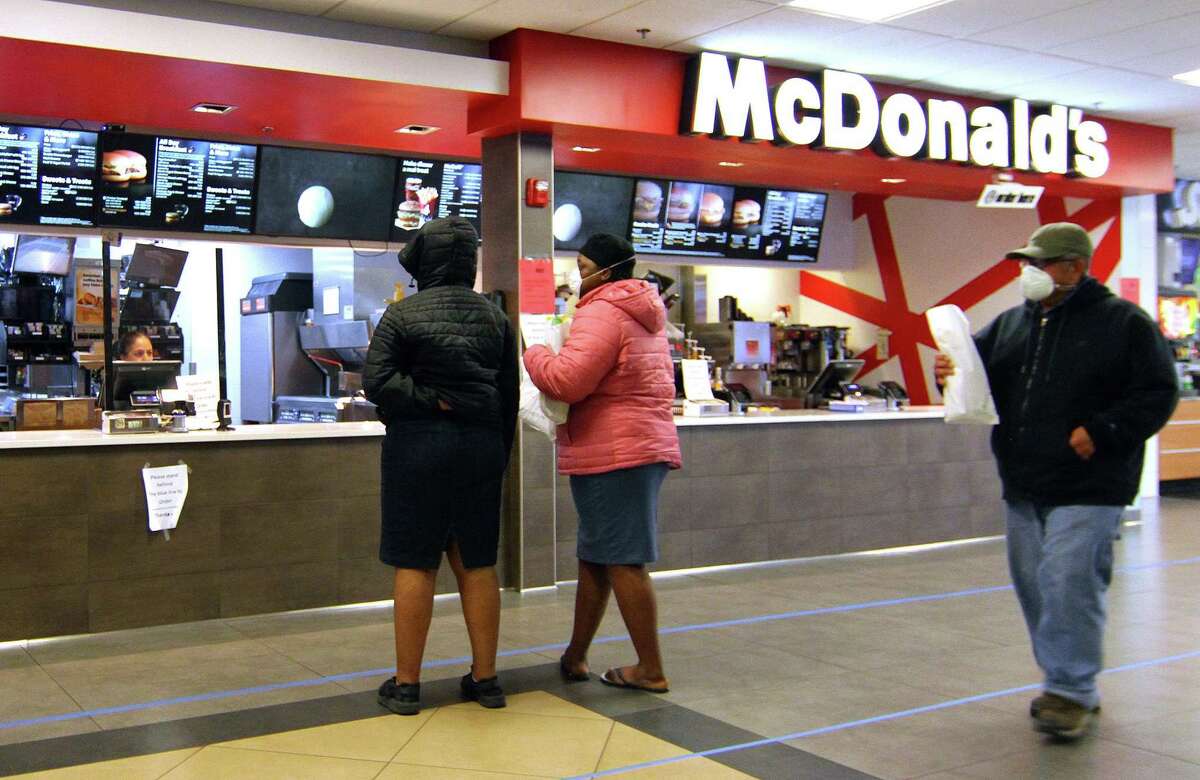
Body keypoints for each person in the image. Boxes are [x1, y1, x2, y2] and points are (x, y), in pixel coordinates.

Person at [933, 222, 1178, 740]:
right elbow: (976, 376)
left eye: (1039, 263)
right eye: (1026, 263)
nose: (1029, 273)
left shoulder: (1123, 324)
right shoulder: (1011, 325)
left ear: (1074, 268)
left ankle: (1071, 691)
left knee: (1070, 581)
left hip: (1091, 484)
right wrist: (949, 371)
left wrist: (1105, 431)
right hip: (1024, 481)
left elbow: (1158, 392)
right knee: (1036, 588)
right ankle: (1065, 676)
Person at [363, 217, 519, 716]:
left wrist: (430, 400)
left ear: (423, 261)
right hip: (481, 449)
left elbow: (377, 382)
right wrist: (499, 455)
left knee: (416, 560)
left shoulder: (401, 316)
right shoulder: (496, 317)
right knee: (477, 561)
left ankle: (407, 686)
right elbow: (509, 398)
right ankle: (487, 680)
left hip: (418, 449)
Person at [524, 233, 682, 693]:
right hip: (625, 449)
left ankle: (650, 669)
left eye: (585, 265)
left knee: (625, 561)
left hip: (617, 453)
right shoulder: (641, 311)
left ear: (607, 272)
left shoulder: (603, 312)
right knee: (595, 558)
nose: (578, 275)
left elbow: (568, 381)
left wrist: (533, 349)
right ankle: (575, 655)